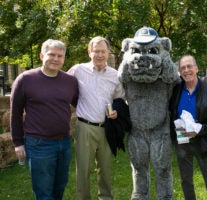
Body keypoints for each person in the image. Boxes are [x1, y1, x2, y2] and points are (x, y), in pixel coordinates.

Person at [10, 39, 79, 200]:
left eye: (60, 56)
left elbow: (81, 103)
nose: (55, 59)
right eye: (51, 54)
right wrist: (18, 142)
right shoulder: (25, 79)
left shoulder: (70, 81)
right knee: (43, 192)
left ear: (64, 59)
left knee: (60, 187)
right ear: (42, 55)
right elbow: (15, 113)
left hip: (64, 143)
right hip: (38, 144)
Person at [67, 36, 125, 200]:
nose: (100, 55)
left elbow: (121, 99)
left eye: (103, 51)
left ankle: (106, 197)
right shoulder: (78, 70)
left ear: (108, 53)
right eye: (96, 51)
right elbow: (62, 86)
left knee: (105, 170)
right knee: (84, 170)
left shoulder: (115, 75)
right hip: (85, 127)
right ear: (89, 52)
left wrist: (117, 111)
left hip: (107, 127)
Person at [169, 55, 207, 200]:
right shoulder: (176, 90)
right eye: (183, 68)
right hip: (182, 141)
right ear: (180, 71)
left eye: (189, 66)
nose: (186, 70)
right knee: (186, 180)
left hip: (204, 142)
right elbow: (171, 113)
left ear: (196, 68)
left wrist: (199, 129)